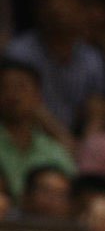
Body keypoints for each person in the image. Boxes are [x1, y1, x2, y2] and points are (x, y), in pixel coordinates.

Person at [5, 0, 105, 133]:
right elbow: (29, 107)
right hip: (27, 136)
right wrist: (66, 143)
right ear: (38, 10)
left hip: (76, 141)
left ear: (81, 8)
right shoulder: (18, 52)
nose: (56, 7)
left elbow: (96, 111)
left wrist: (89, 143)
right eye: (49, 0)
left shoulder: (92, 58)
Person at [0, 59, 75, 201]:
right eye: (4, 87)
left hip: (42, 215)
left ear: (38, 96)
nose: (12, 95)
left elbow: (70, 193)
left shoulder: (52, 149)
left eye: (21, 87)